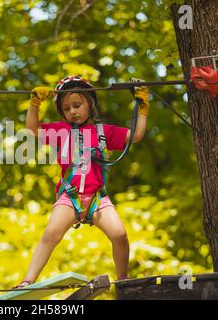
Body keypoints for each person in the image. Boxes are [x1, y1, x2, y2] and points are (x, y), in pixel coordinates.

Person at [14, 75, 149, 288]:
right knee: (51, 234)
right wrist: (35, 103)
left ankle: (124, 279)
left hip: (97, 199)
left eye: (77, 105)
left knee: (120, 235)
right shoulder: (62, 131)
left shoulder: (103, 132)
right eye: (66, 109)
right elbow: (32, 130)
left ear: (90, 104)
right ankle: (27, 280)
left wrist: (142, 106)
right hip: (71, 196)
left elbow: (137, 135)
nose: (72, 112)